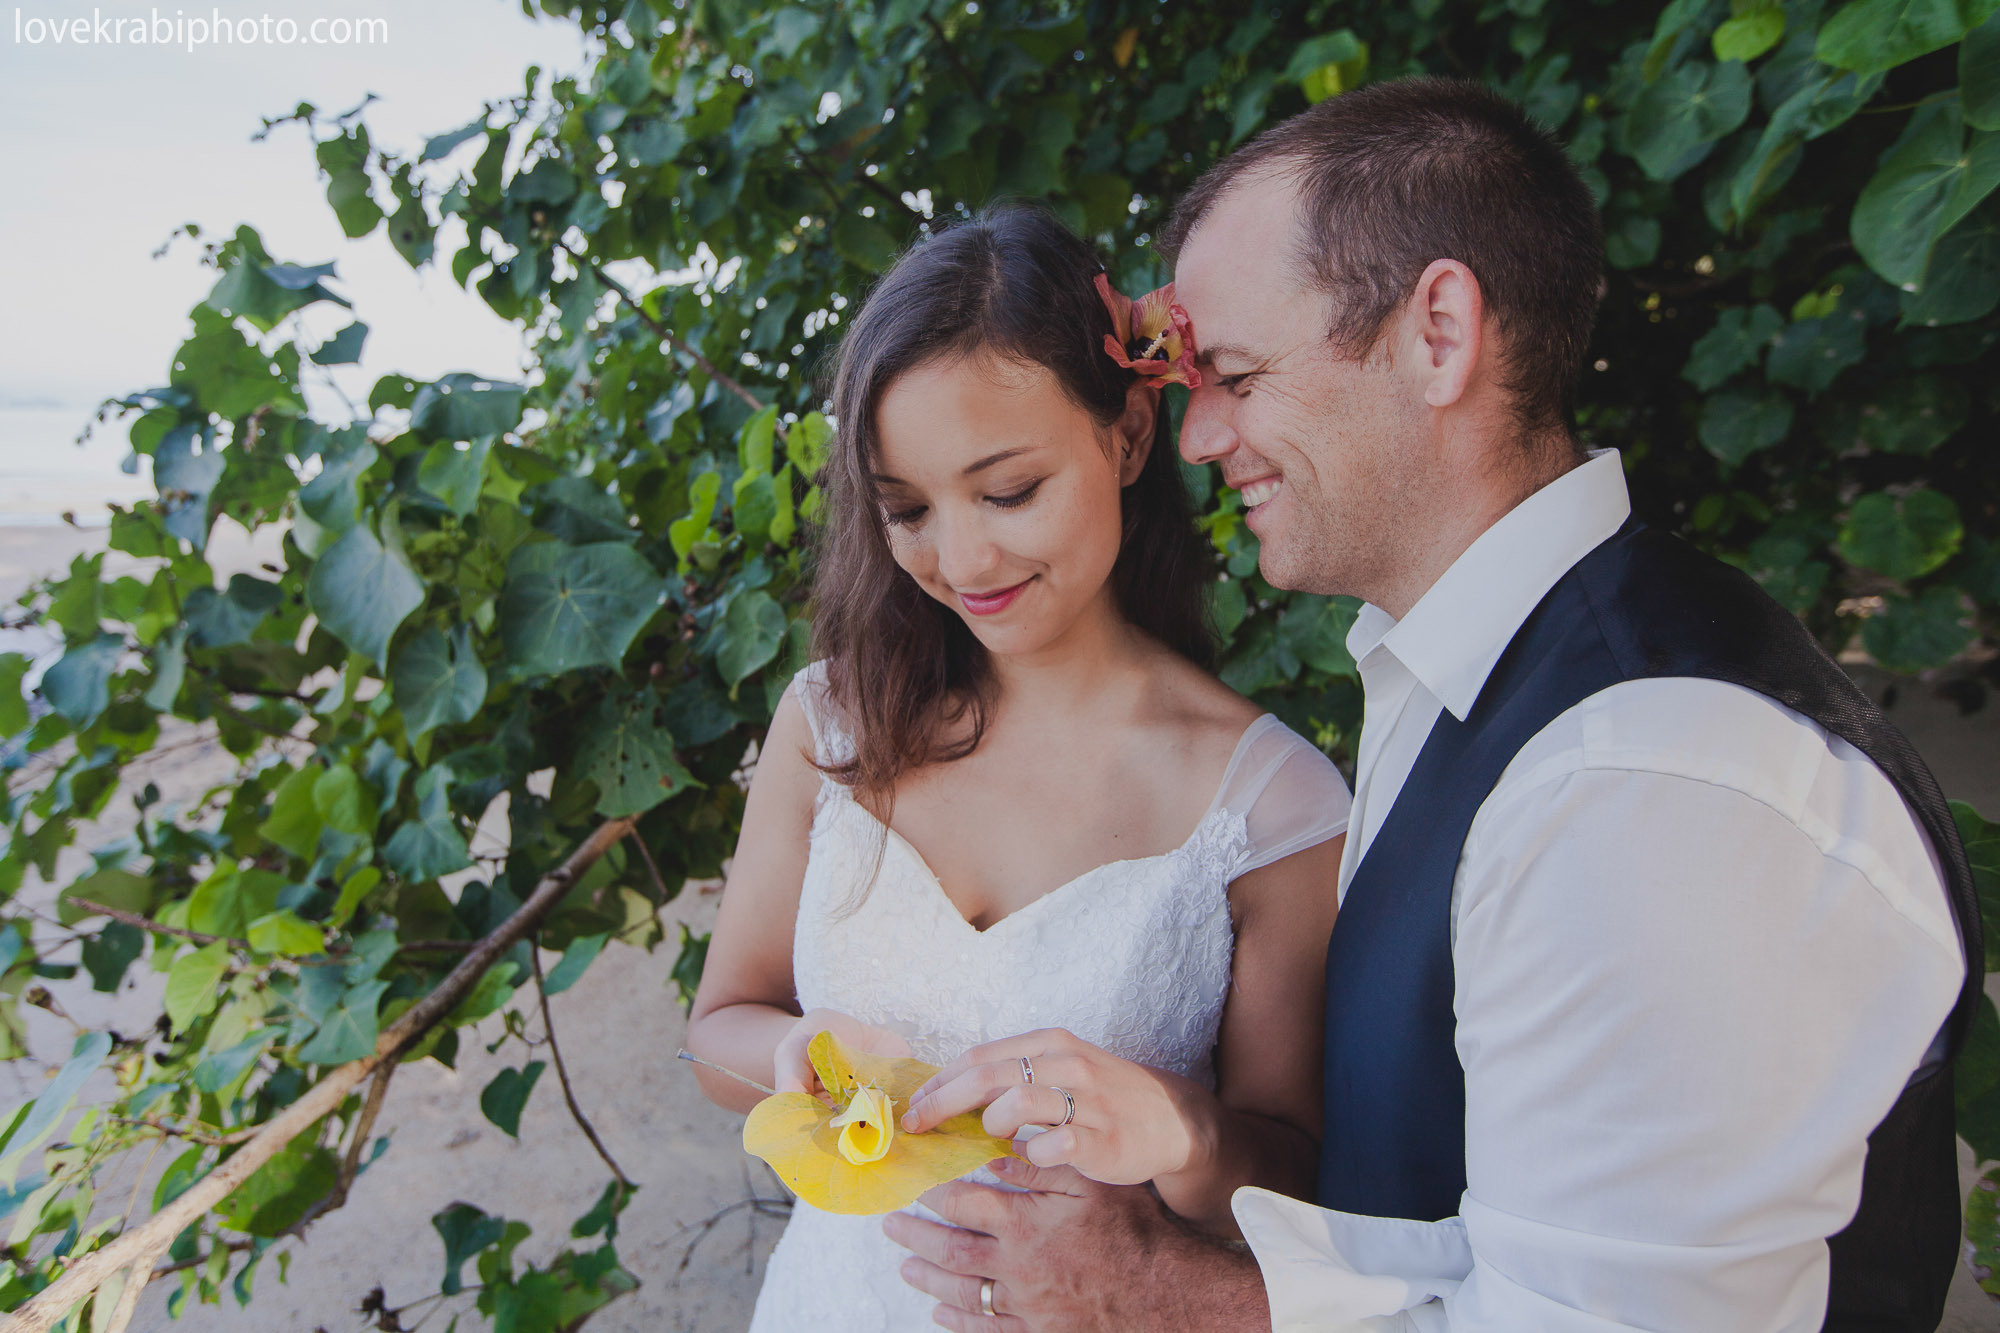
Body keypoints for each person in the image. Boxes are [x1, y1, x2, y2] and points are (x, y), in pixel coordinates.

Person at [884, 77, 1980, 1331]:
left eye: (1233, 373)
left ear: (1438, 335)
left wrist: (1147, 1288)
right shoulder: (1473, 670)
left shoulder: (1643, 787)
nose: (1196, 437)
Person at [682, 204, 1353, 1330]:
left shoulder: (1271, 808)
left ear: (1127, 436)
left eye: (1007, 492)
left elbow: (1298, 1180)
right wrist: (798, 1053)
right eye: (905, 509)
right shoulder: (832, 722)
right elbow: (718, 1032)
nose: (961, 558)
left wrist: (1178, 1129)